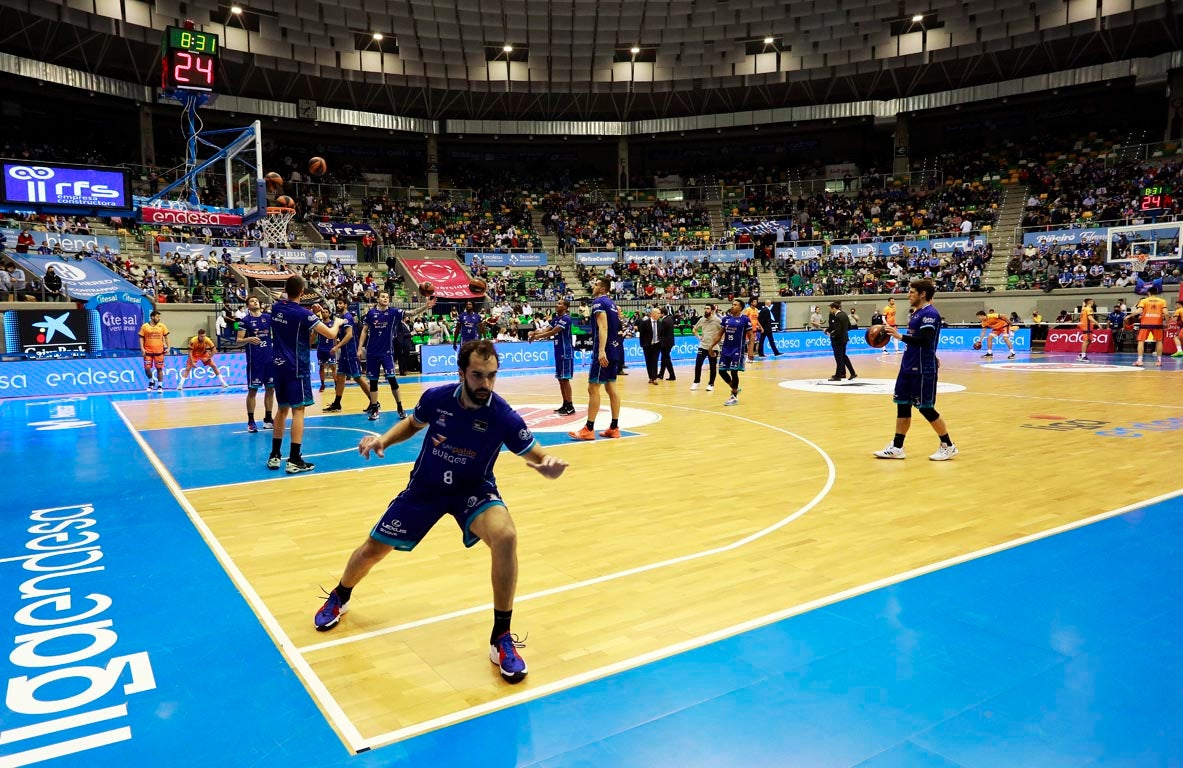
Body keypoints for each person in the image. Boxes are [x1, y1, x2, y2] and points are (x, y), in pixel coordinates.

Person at [313, 340, 569, 684]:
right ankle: (340, 596)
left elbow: (535, 452)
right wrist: (382, 441)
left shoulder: (501, 414)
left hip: (473, 492)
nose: (486, 384)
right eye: (478, 376)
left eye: (492, 376)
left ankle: (501, 638)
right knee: (374, 549)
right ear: (462, 372)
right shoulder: (437, 398)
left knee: (506, 536)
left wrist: (547, 463)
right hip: (427, 488)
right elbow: (412, 425)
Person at [873, 279, 957, 461]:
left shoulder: (930, 314)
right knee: (902, 406)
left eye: (911, 292)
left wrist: (899, 336)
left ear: (922, 294)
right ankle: (897, 447)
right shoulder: (917, 314)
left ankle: (948, 445)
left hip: (922, 369)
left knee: (926, 408)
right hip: (908, 366)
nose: (908, 295)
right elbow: (922, 341)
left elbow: (925, 340)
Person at [268, 275, 342, 473]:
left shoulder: (276, 308)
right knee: (298, 410)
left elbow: (294, 318)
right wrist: (337, 322)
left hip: (278, 365)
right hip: (296, 368)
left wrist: (311, 312)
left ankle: (274, 456)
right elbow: (331, 334)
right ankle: (294, 460)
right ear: (302, 292)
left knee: (281, 409)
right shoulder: (303, 314)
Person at [358, 291, 435, 420]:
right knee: (373, 382)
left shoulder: (394, 312)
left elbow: (410, 313)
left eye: (387, 297)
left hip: (387, 352)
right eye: (383, 296)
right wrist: (360, 348)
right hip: (372, 353)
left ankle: (400, 407)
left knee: (392, 380)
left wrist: (425, 306)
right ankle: (375, 408)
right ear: (378, 299)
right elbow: (365, 330)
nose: (385, 299)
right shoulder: (371, 314)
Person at [568, 277, 623, 440]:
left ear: (603, 289)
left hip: (604, 352)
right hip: (615, 349)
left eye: (597, 284)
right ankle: (614, 427)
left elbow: (603, 327)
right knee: (611, 388)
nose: (594, 286)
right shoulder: (612, 304)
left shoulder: (599, 303)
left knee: (593, 388)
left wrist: (600, 351)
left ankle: (589, 428)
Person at [324, 296, 373, 413]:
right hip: (345, 353)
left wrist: (337, 346)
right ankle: (337, 404)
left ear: (345, 304)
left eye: (340, 303)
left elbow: (349, 335)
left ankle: (374, 401)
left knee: (357, 377)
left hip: (350, 352)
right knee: (340, 377)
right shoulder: (341, 318)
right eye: (337, 303)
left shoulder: (347, 318)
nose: (338, 305)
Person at [526, 300, 575, 414]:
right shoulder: (556, 319)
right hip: (558, 352)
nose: (556, 305)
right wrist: (533, 333)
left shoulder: (566, 319)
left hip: (565, 352)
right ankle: (565, 403)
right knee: (560, 380)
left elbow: (552, 332)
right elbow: (545, 330)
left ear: (565, 307)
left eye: (559, 304)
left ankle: (570, 406)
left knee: (565, 380)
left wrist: (536, 337)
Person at [237, 297, 275, 432]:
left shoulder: (268, 317)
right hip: (255, 361)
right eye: (252, 301)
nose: (255, 302)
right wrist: (248, 339)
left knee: (270, 389)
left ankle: (268, 418)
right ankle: (251, 421)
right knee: (253, 390)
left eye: (257, 301)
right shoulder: (245, 321)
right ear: (248, 305)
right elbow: (238, 340)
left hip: (269, 359)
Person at [718, 299, 752, 406]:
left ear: (740, 308)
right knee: (722, 371)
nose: (732, 306)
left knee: (734, 371)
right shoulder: (726, 319)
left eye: (735, 305)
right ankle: (735, 388)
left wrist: (750, 351)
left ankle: (734, 397)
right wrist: (711, 346)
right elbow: (719, 334)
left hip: (738, 350)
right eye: (732, 305)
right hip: (725, 349)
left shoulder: (745, 319)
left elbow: (751, 336)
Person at [1131, 284, 1167, 367]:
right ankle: (1159, 361)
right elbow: (1166, 313)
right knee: (1159, 341)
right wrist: (1167, 322)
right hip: (1158, 323)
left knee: (1141, 341)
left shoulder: (1144, 301)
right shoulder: (1162, 301)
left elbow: (1138, 311)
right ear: (1156, 292)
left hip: (1145, 323)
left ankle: (1139, 361)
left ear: (1148, 293)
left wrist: (1129, 315)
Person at [691, 303, 723, 391]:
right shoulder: (702, 319)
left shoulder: (718, 320)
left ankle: (711, 384)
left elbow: (722, 332)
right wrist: (699, 337)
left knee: (712, 366)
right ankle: (696, 382)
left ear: (712, 310)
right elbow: (694, 330)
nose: (706, 310)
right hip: (702, 346)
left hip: (713, 347)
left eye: (708, 308)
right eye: (705, 308)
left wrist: (719, 341)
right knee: (698, 364)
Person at [138, 310, 169, 391]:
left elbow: (166, 337)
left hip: (159, 352)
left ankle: (160, 386)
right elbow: (141, 338)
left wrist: (168, 347)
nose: (159, 318)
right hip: (148, 351)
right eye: (157, 317)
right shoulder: (145, 326)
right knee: (147, 368)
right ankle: (151, 381)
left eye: (159, 317)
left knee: (159, 369)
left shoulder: (162, 326)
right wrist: (142, 349)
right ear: (152, 317)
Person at [826, 300, 856, 381]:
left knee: (839, 357)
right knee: (843, 356)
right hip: (844, 339)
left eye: (830, 309)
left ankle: (838, 375)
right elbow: (849, 327)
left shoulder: (837, 316)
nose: (830, 311)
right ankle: (852, 373)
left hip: (838, 340)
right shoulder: (845, 314)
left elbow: (837, 330)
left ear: (834, 308)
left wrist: (830, 334)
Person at [316, 307, 338, 393]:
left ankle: (336, 384)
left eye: (326, 312)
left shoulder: (333, 324)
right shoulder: (319, 323)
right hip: (321, 349)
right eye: (323, 312)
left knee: (333, 367)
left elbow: (335, 336)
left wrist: (335, 346)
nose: (325, 313)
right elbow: (314, 335)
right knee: (321, 367)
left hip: (330, 348)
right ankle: (322, 384)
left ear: (329, 314)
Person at [639, 307, 663, 385]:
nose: (660, 315)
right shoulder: (645, 323)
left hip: (657, 345)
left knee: (655, 361)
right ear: (653, 314)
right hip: (647, 345)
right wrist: (642, 344)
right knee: (648, 362)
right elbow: (641, 335)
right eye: (658, 313)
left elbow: (661, 334)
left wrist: (661, 342)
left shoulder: (660, 323)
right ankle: (650, 377)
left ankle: (654, 378)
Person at [658, 308, 677, 381]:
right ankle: (661, 374)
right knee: (664, 358)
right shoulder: (669, 319)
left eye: (660, 313)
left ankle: (672, 375)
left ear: (662, 313)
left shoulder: (664, 321)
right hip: (669, 342)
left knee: (666, 359)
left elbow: (661, 332)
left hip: (665, 343)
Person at [1077, 298, 1097, 362]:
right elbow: (1090, 317)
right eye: (1092, 301)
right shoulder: (1089, 309)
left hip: (1086, 326)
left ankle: (1081, 354)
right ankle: (1083, 356)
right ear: (1090, 302)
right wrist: (1097, 323)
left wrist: (1083, 304)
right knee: (1086, 341)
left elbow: (1083, 307)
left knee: (1089, 340)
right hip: (1087, 326)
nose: (1093, 302)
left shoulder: (1083, 309)